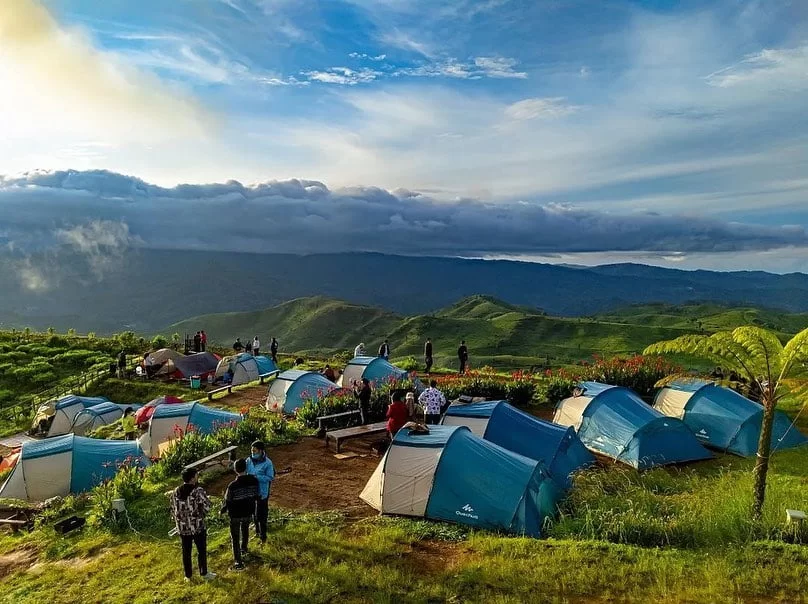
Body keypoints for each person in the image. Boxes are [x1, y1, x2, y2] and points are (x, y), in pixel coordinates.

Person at [170, 468, 216, 582]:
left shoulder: (176, 491)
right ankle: (204, 573)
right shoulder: (197, 491)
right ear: (192, 478)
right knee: (201, 550)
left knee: (186, 551)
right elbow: (208, 506)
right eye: (196, 475)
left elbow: (173, 507)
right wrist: (201, 513)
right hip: (197, 526)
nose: (197, 477)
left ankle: (188, 576)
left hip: (182, 527)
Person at [220, 458, 260, 570]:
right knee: (245, 529)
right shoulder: (254, 480)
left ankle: (238, 561)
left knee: (235, 537)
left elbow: (228, 500)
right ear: (246, 468)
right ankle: (244, 548)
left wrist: (222, 510)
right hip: (249, 512)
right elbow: (257, 495)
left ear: (235, 470)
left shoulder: (232, 485)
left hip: (235, 515)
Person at [245, 440, 274, 544]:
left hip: (262, 492)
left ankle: (263, 536)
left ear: (261, 451)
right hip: (251, 492)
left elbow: (270, 477)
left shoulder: (268, 463)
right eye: (252, 451)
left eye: (255, 451)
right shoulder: (249, 460)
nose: (253, 453)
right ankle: (257, 531)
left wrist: (257, 477)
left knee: (262, 515)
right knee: (254, 513)